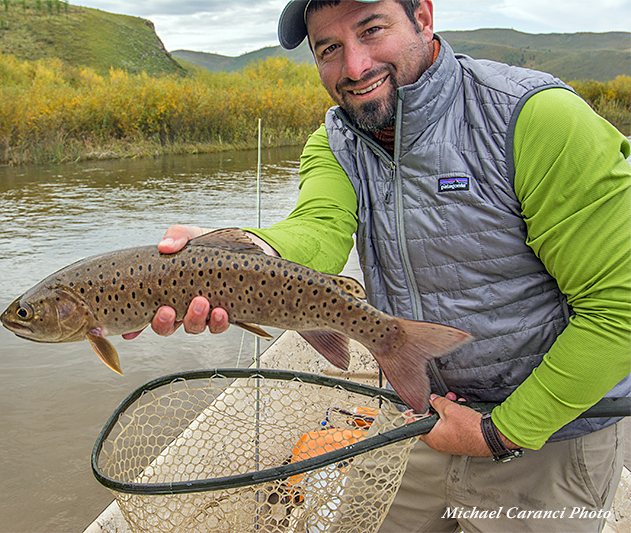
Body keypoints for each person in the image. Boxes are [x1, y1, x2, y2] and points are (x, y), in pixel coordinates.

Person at [125, 1, 631, 531]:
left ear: (424, 17)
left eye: (372, 30)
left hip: (550, 427)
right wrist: (238, 253)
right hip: (418, 414)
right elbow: (316, 232)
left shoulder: (536, 118)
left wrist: (501, 431)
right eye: (329, 49)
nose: (355, 66)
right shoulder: (334, 142)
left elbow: (619, 310)